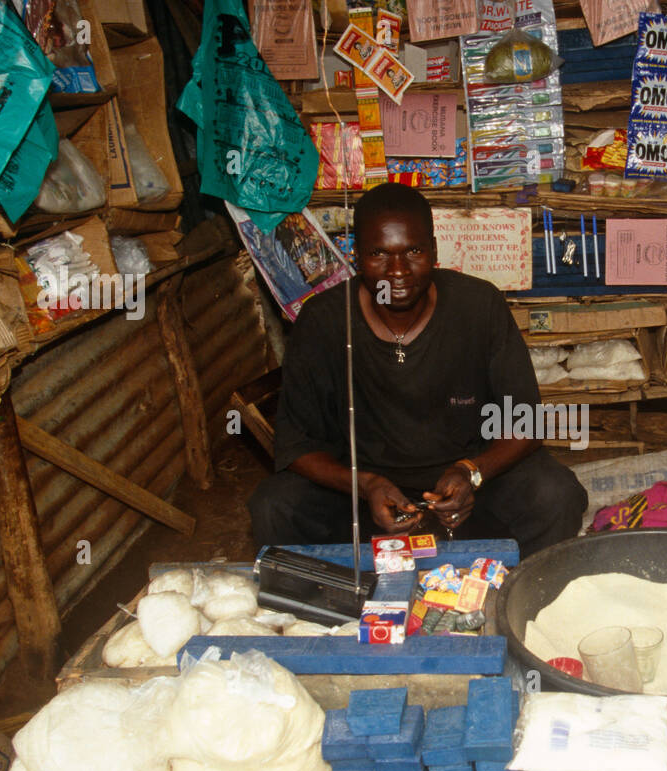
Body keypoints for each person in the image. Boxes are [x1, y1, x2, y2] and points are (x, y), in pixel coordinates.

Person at [249, 182, 587, 556]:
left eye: (413, 250)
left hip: (465, 484)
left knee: (556, 495)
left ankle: (511, 595)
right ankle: (331, 599)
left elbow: (527, 423)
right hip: (362, 491)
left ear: (434, 251)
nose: (398, 270)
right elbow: (296, 446)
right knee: (274, 505)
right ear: (357, 255)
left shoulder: (477, 305)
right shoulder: (324, 321)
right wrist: (368, 484)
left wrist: (471, 472)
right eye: (379, 253)